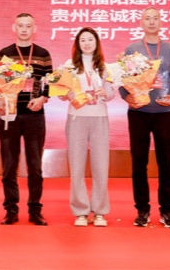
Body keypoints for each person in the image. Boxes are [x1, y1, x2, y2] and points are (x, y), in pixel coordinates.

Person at [120, 7, 170, 228]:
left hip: (164, 113)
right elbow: (122, 79)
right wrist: (127, 97)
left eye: (155, 18)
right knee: (139, 163)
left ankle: (167, 210)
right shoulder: (132, 49)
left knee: (165, 163)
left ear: (161, 22)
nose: (152, 22)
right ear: (141, 22)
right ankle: (142, 209)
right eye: (147, 18)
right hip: (138, 113)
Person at [0, 13, 52, 226]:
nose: (24, 29)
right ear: (14, 27)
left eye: (28, 26)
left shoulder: (43, 54)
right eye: (21, 25)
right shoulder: (5, 54)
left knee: (35, 167)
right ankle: (11, 209)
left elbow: (49, 83)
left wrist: (43, 98)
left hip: (35, 116)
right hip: (10, 115)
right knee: (9, 165)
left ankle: (35, 210)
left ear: (34, 28)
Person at [62, 27, 115, 227]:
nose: (86, 43)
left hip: (99, 117)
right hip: (77, 117)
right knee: (76, 166)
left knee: (101, 165)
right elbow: (61, 93)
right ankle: (80, 211)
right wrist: (68, 94)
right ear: (77, 44)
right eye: (82, 40)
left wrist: (105, 93)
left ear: (96, 43)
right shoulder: (69, 65)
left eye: (90, 39)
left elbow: (111, 94)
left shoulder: (104, 67)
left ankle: (100, 211)